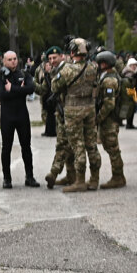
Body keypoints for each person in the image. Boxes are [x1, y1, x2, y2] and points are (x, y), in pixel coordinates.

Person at [51, 38, 101, 193]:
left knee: (77, 144)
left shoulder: (67, 70)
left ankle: (79, 180)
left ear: (72, 52)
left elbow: (54, 86)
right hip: (89, 108)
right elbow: (96, 85)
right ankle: (94, 179)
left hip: (73, 110)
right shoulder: (93, 68)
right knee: (91, 144)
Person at [0, 51, 40, 189]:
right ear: (4, 61)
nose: (13, 61)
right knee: (6, 147)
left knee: (26, 146)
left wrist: (12, 89)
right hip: (7, 116)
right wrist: (20, 90)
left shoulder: (23, 74)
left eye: (15, 59)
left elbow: (31, 89)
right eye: (10, 59)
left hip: (22, 115)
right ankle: (7, 179)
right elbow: (1, 94)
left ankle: (29, 177)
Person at [36, 46, 77, 189]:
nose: (52, 61)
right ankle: (71, 176)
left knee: (63, 145)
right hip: (60, 113)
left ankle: (53, 173)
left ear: (62, 57)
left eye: (55, 58)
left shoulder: (66, 70)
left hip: (70, 112)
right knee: (67, 146)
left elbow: (56, 88)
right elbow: (43, 90)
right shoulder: (54, 72)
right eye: (50, 59)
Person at [95, 51, 126, 189]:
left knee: (113, 149)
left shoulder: (109, 80)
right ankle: (119, 176)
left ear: (105, 63)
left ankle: (118, 177)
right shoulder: (107, 76)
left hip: (110, 119)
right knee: (111, 148)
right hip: (109, 119)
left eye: (100, 62)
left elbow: (109, 104)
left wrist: (98, 118)